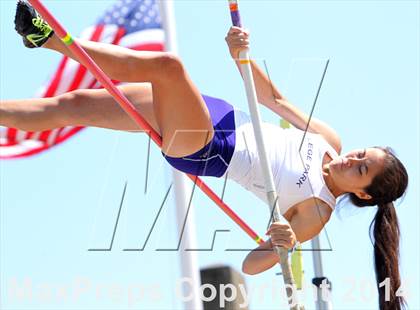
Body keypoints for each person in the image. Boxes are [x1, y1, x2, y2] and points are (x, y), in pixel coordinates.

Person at [1, 2, 408, 309]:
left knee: (168, 67)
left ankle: (51, 39)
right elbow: (273, 98)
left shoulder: (317, 211)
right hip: (215, 111)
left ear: (365, 194)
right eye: (360, 154)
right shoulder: (328, 139)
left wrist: (280, 245)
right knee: (73, 105)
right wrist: (242, 58)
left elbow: (252, 265)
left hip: (208, 147)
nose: (350, 158)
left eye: (360, 168)